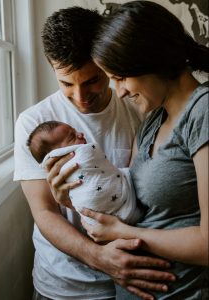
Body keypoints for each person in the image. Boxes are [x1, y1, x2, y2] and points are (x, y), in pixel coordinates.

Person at [14, 6, 177, 300]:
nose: (80, 96)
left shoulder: (139, 110)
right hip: (62, 285)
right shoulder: (34, 125)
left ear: (106, 63)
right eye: (66, 83)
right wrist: (99, 258)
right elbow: (45, 212)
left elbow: (150, 192)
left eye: (92, 80)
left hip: (131, 280)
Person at [72, 1, 208, 299]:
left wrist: (126, 234)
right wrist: (72, 197)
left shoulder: (203, 112)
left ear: (152, 60)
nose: (118, 91)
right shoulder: (152, 120)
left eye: (120, 78)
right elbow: (131, 203)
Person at [27, 120, 142, 226]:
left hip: (105, 221)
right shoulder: (30, 119)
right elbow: (44, 212)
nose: (80, 134)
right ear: (59, 153)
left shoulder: (133, 116)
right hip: (95, 226)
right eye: (72, 136)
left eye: (75, 131)